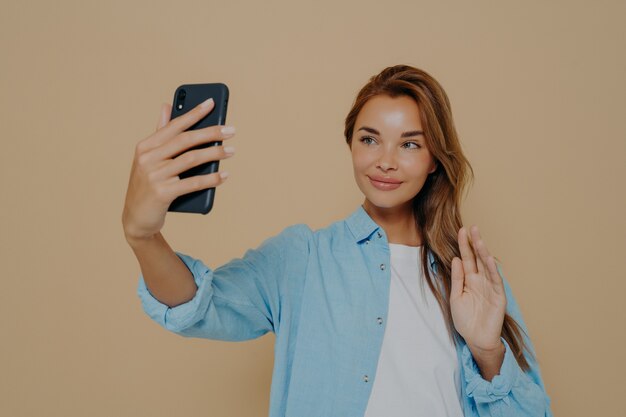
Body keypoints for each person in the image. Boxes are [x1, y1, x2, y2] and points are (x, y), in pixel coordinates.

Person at [122, 65, 553, 417]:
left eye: (409, 144)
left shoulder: (471, 276)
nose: (385, 161)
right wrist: (143, 236)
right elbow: (199, 307)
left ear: (435, 160)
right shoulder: (302, 259)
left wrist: (487, 351)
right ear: (350, 144)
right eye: (370, 139)